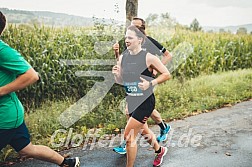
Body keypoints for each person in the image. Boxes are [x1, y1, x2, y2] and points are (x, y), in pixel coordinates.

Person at [0, 11, 80, 167]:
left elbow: (31, 76)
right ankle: (66, 163)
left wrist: (1, 91)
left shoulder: (2, 50)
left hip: (4, 117)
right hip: (11, 115)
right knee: (27, 149)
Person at [112, 25, 171, 167]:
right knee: (144, 132)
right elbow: (121, 81)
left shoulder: (148, 57)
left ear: (139, 40)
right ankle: (160, 150)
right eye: (126, 37)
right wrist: (116, 75)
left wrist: (151, 83)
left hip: (145, 102)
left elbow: (167, 74)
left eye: (130, 37)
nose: (126, 40)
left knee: (128, 136)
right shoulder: (123, 57)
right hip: (131, 100)